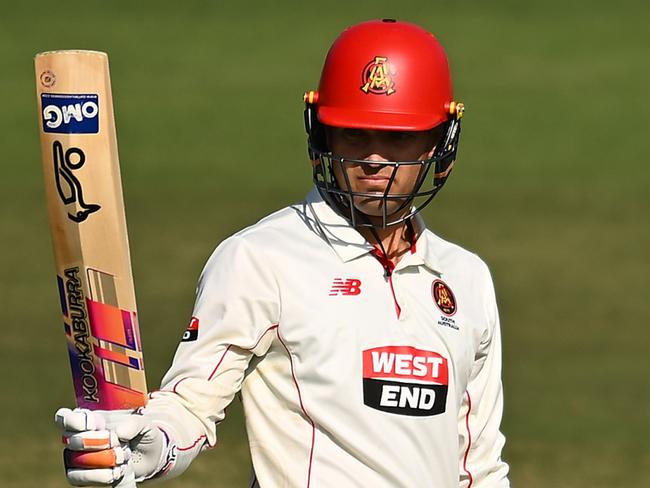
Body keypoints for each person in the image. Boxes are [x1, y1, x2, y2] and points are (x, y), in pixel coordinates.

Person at [56, 19, 510, 487]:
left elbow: (478, 464)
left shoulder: (465, 278)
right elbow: (191, 403)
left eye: (397, 138)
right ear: (323, 135)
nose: (374, 159)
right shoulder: (261, 259)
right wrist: (149, 446)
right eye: (354, 134)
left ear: (440, 141)